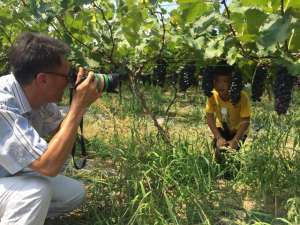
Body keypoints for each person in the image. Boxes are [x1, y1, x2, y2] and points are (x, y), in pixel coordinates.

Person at [0, 32, 101, 225]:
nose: (70, 82)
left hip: (6, 175)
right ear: (43, 79)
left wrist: (79, 106)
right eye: (67, 76)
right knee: (35, 193)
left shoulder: (37, 96)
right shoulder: (3, 104)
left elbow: (60, 132)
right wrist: (77, 107)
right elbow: (47, 166)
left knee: (73, 193)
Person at [204, 64, 251, 164]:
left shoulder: (242, 96)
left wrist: (236, 140)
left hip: (239, 130)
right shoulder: (212, 95)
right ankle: (219, 172)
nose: (220, 85)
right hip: (223, 127)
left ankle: (232, 174)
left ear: (232, 83)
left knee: (232, 154)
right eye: (217, 81)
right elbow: (209, 117)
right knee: (218, 150)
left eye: (225, 81)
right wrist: (218, 137)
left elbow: (246, 121)